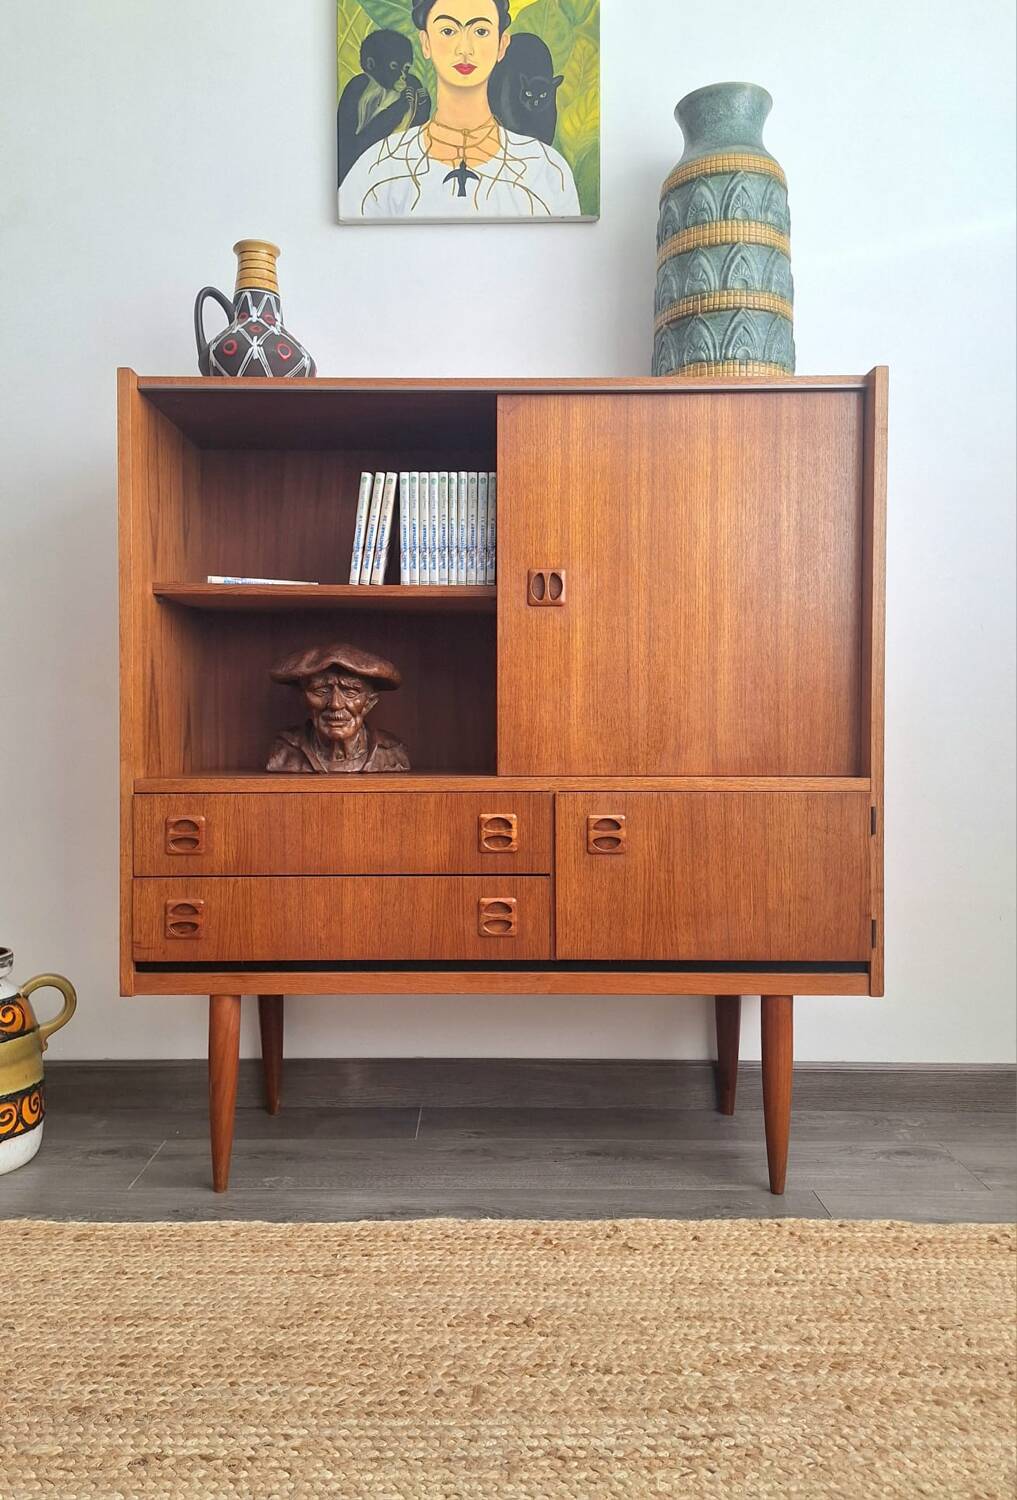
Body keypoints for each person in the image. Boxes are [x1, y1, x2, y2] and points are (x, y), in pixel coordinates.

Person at [339, 0, 580, 220]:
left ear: (501, 44)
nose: (464, 48)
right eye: (448, 30)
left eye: (481, 31)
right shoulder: (378, 167)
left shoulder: (546, 169)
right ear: (425, 42)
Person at [266, 643, 410, 773]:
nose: (335, 704)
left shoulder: (391, 753)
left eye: (350, 693)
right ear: (303, 699)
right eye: (321, 691)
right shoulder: (286, 751)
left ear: (369, 703)